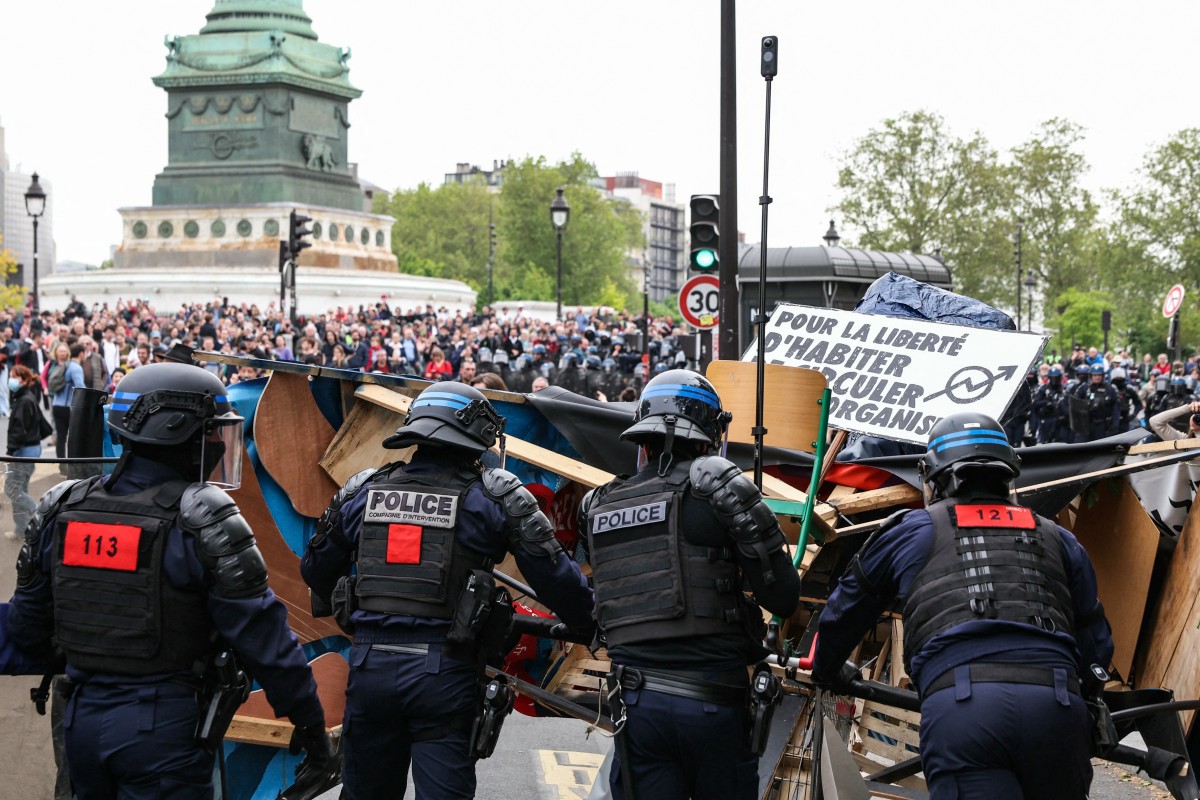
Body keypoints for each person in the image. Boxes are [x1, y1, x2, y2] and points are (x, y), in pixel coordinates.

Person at [7, 362, 335, 799]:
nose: (220, 443)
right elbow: (268, 642)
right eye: (213, 431)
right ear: (180, 430)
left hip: (80, 723)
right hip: (162, 731)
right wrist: (313, 729)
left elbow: (26, 630)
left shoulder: (60, 507)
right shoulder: (202, 518)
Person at [301, 381, 594, 800]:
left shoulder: (364, 489)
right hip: (444, 674)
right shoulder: (494, 496)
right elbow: (556, 579)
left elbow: (315, 569)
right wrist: (589, 620)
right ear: (475, 436)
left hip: (371, 670)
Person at [813, 412, 1113, 800]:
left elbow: (845, 609)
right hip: (1055, 706)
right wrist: (1084, 699)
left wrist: (828, 668)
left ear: (933, 478)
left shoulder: (913, 531)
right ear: (1009, 475)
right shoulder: (1057, 537)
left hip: (964, 710)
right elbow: (1095, 640)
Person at [579, 370, 801, 800]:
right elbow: (783, 597)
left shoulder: (599, 505)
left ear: (642, 435)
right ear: (712, 434)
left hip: (636, 706)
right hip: (712, 703)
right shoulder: (719, 485)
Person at [5, 365, 48, 541]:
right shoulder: (26, 397)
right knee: (19, 488)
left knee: (12, 488)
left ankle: (40, 513)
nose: (10, 380)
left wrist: (10, 451)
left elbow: (19, 430)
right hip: (31, 448)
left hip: (24, 450)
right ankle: (21, 528)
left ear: (22, 380)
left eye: (13, 377)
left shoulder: (23, 400)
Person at [49, 343, 85, 468]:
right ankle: (72, 465)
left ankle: (61, 465)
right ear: (81, 354)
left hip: (57, 405)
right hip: (69, 406)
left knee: (61, 436)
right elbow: (80, 387)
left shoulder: (61, 366)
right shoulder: (75, 367)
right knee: (73, 437)